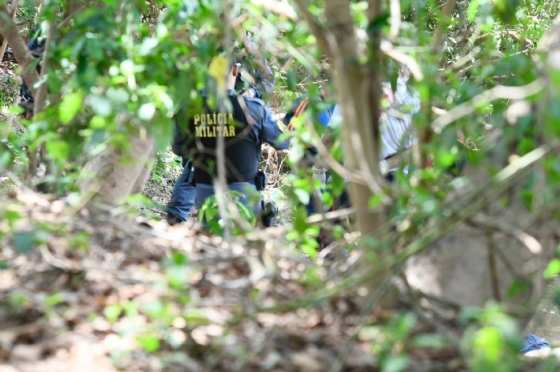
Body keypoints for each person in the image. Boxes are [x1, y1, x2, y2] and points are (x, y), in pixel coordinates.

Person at [172, 61, 288, 220]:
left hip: (205, 193)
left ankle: (177, 219)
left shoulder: (192, 108)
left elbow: (178, 148)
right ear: (235, 70)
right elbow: (282, 142)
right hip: (242, 196)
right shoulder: (254, 109)